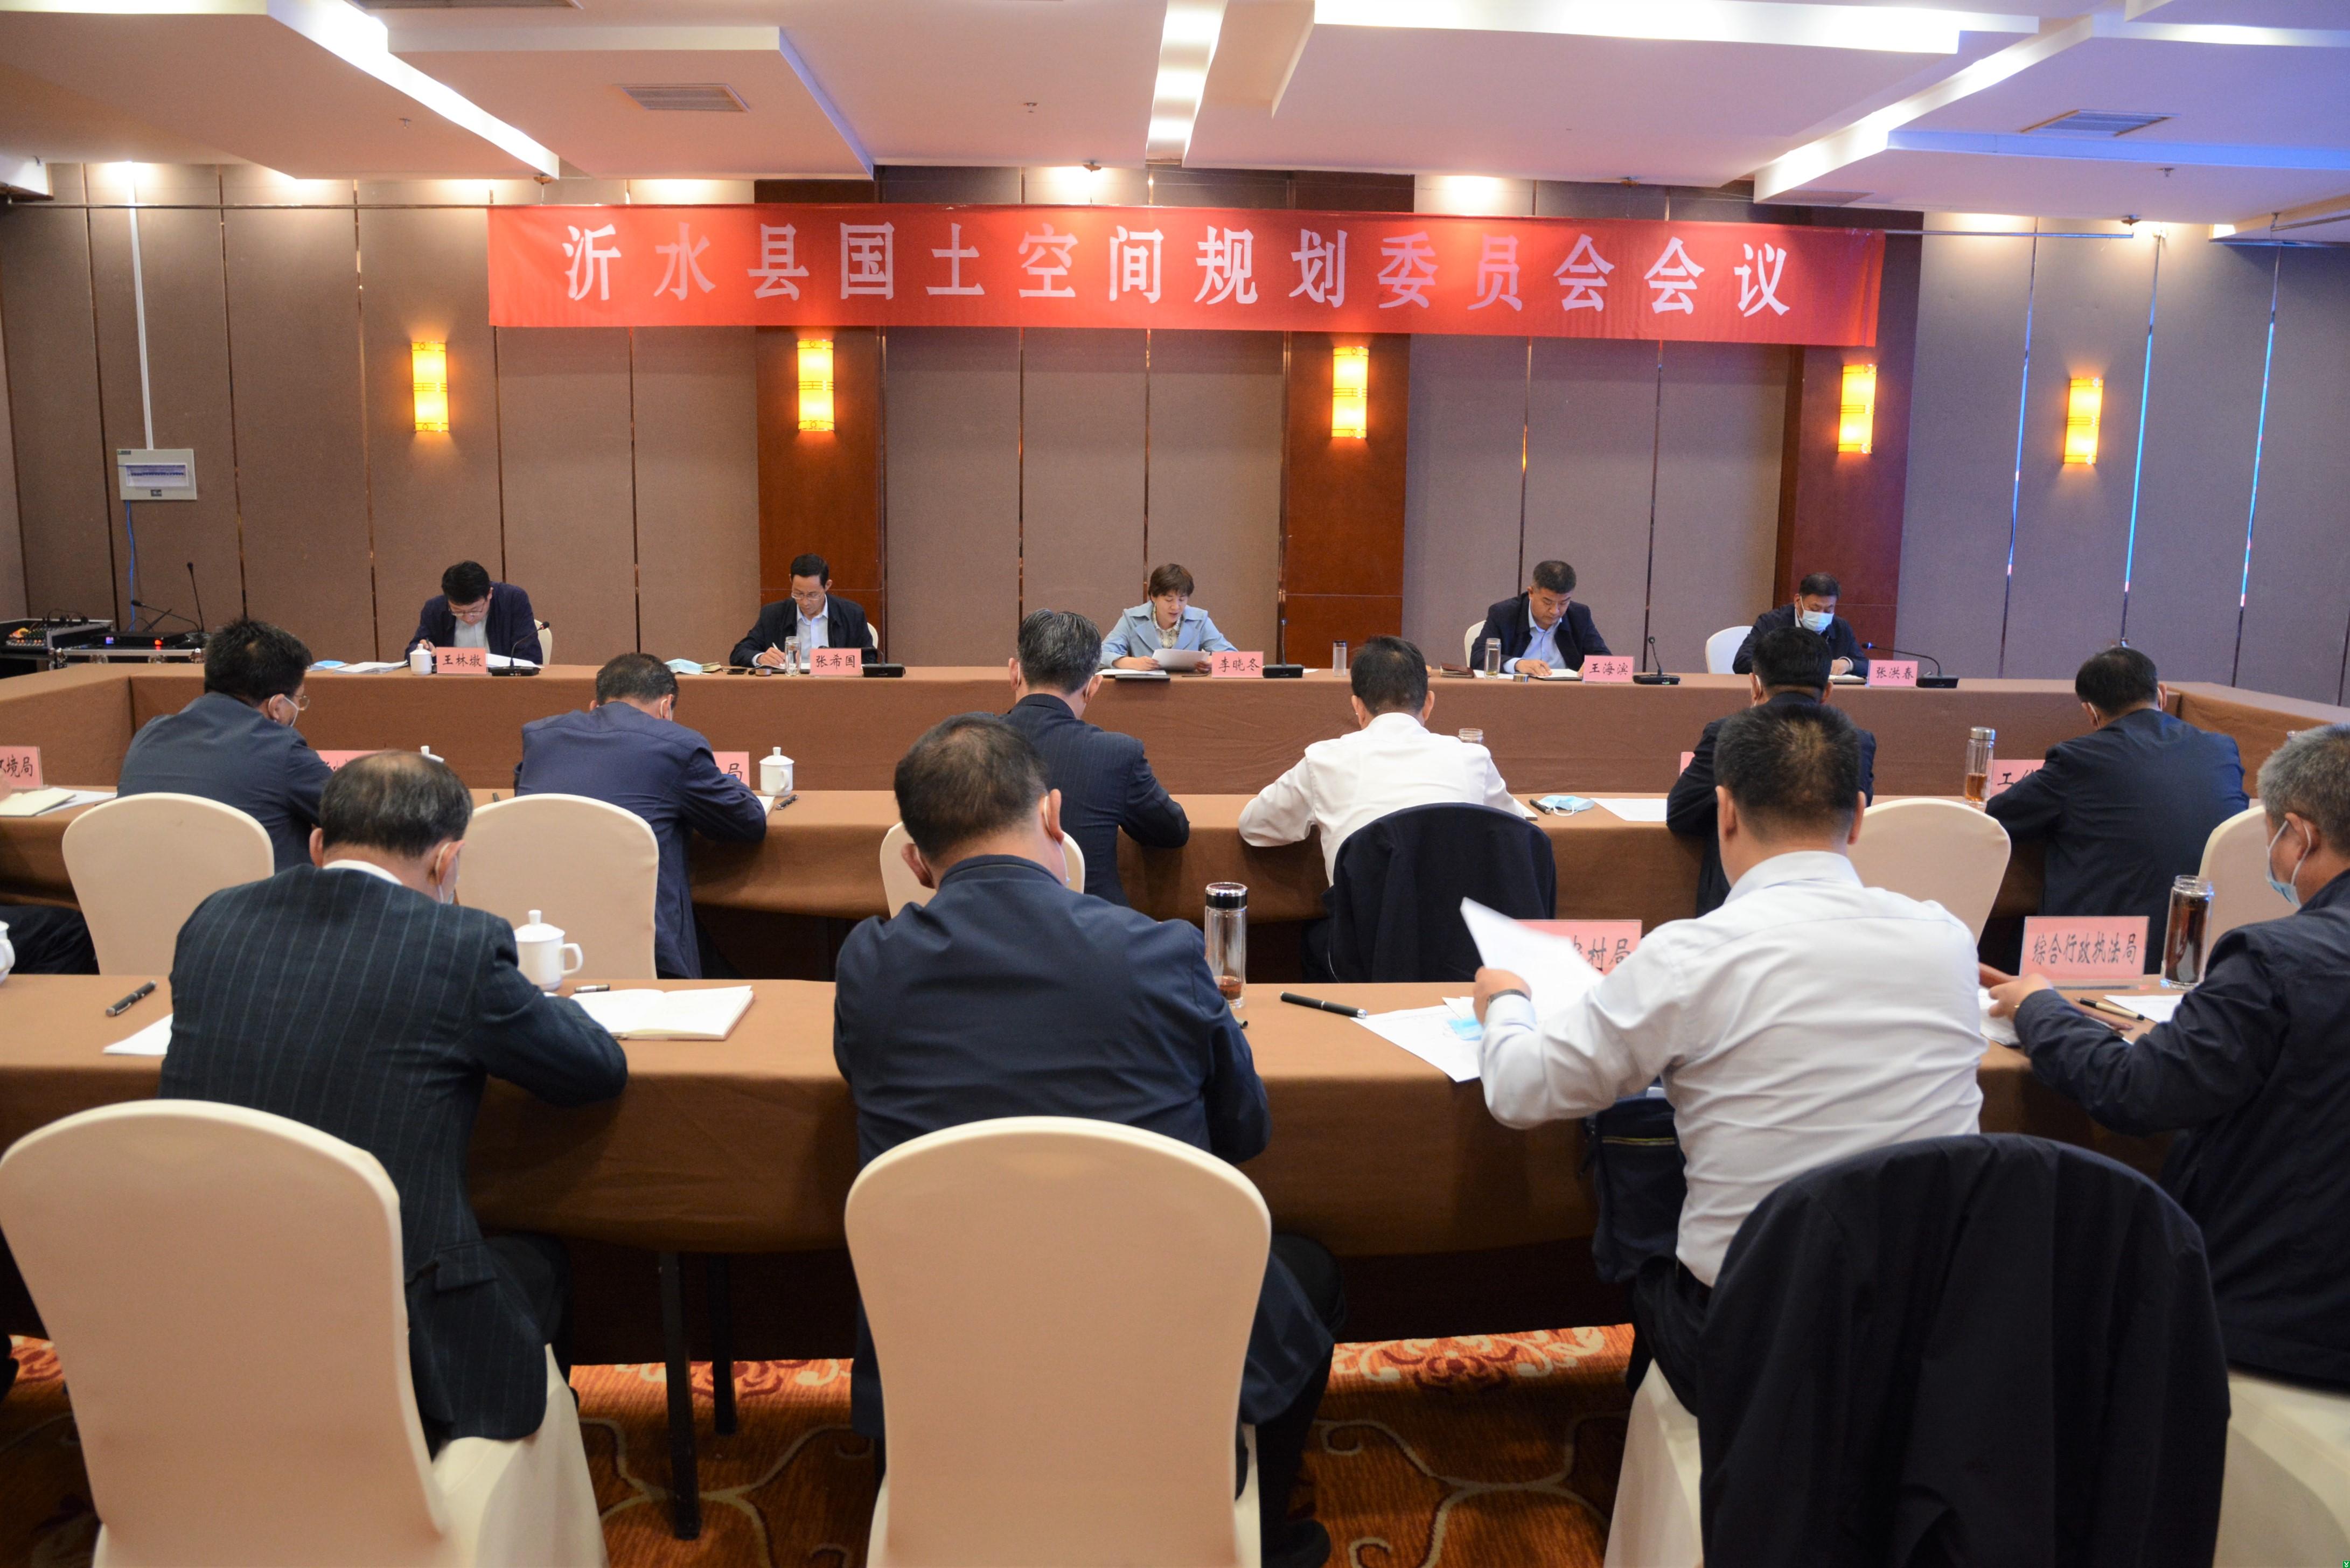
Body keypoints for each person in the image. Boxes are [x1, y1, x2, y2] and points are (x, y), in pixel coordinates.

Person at [836, 716, 1344, 1568]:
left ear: (916, 863)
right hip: (1152, 1357)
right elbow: (1244, 1131)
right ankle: (1264, 1533)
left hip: (950, 1364)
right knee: (1308, 1275)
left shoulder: (868, 966)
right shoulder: (1160, 952)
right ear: (1053, 815)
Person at [1473, 701, 1984, 1414]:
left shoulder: (1692, 955)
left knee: (1644, 1230)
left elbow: (1519, 1090)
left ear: (1725, 812)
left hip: (1758, 1341)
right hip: (1929, 1330)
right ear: (1859, 817)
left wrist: (1504, 1000)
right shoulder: (1947, 937)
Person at [158, 750, 627, 1447]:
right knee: (541, 1260)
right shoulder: (458, 944)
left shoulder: (213, 920)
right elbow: (593, 1071)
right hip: (395, 1331)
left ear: (318, 843)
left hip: (212, 1304)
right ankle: (519, 1476)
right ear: (448, 860)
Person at [1985, 722, 2350, 1390]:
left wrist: (2037, 1005)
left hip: (2276, 1316)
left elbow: (2135, 1091)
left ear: (2300, 836)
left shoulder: (2275, 961)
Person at [1988, 646, 2246, 970]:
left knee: (2003, 944)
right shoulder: (2221, 749)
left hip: (2102, 956)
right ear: (2162, 694)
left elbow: (1997, 818)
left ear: (2090, 712)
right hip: (2201, 950)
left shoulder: (2078, 759)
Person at [516, 653, 769, 979]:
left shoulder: (539, 737)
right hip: (647, 944)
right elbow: (748, 822)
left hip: (543, 934)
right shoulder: (678, 745)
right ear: (666, 707)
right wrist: (728, 781)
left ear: (595, 706)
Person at [1239, 636, 1530, 881]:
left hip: (1363, 930)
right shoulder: (1473, 758)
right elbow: (1518, 828)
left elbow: (1254, 826)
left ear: (1358, 707)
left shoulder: (1324, 759)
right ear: (1428, 704)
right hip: (1455, 928)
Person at [1667, 625, 1877, 916]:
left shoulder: (1728, 732)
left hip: (1734, 904)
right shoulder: (1857, 741)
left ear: (1755, 685)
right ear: (1828, 691)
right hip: (1836, 907)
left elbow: (1681, 815)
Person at [1002, 608, 1188, 905]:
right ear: (1092, 687)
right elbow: (1173, 832)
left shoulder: (961, 741)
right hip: (1089, 928)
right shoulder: (1116, 754)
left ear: (1015, 673)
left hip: (976, 927)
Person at [116, 617, 332, 872]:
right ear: (276, 706)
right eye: (298, 699)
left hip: (146, 893)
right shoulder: (281, 749)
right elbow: (359, 815)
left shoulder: (149, 735)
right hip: (257, 897)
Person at [1469, 559, 1610, 677]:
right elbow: (1478, 657)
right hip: (1516, 694)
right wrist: (1518, 664)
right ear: (1531, 593)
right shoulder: (1503, 614)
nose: (1555, 611)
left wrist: (1595, 665)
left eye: (1563, 603)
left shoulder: (1580, 615)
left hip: (1567, 695)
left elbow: (1604, 657)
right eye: (1547, 602)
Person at [730, 553, 876, 667]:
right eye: (798, 594)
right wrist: (761, 658)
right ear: (791, 581)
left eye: (813, 595)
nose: (805, 602)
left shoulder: (852, 614)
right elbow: (739, 653)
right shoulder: (773, 615)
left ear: (827, 586)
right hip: (788, 688)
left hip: (837, 688)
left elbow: (870, 659)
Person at [1100, 562, 1238, 670]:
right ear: (1153, 596)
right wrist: (1133, 663)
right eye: (1168, 600)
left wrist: (1213, 662)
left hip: (1189, 691)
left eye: (1182, 599)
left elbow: (1233, 657)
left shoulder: (1200, 620)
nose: (1176, 607)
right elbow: (1102, 654)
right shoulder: (1132, 618)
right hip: (1143, 691)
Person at [1732, 572, 1867, 679]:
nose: (1821, 615)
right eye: (1814, 609)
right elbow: (1742, 662)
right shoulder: (1772, 622)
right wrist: (1789, 668)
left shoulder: (1840, 627)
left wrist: (1848, 664)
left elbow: (1866, 666)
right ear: (1798, 601)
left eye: (1828, 610)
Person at [407, 560, 543, 665]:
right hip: (450, 686)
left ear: (489, 594)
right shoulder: (435, 608)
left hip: (503, 685)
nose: (468, 618)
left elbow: (530, 656)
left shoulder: (512, 600)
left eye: (475, 611)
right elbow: (412, 650)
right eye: (458, 612)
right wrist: (422, 651)